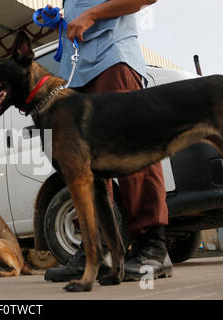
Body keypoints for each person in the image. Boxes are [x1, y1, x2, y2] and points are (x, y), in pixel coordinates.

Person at [44, 0, 172, 283]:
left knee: (132, 150)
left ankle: (152, 246)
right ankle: (96, 250)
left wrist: (91, 14)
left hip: (112, 59)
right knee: (85, 168)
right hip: (76, 73)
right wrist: (62, 22)